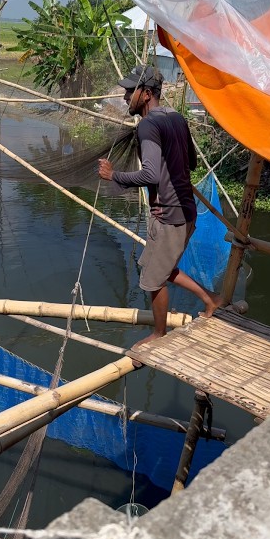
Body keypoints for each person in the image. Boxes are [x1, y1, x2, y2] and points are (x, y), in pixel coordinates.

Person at [98, 64, 223, 350]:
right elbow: (189, 162)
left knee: (153, 281)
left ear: (145, 94)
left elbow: (151, 174)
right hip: (184, 210)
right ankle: (211, 299)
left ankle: (159, 334)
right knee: (163, 269)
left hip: (169, 215)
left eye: (130, 91)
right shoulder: (176, 118)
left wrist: (113, 175)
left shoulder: (147, 126)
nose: (125, 97)